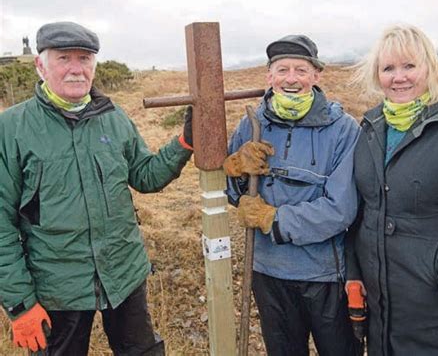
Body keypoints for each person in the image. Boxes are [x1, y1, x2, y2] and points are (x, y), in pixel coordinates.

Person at [0, 21, 194, 355]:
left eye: (85, 59)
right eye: (64, 58)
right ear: (40, 64)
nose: (76, 69)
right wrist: (20, 304)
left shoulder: (113, 116)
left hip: (123, 274)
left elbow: (145, 176)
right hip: (56, 287)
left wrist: (184, 143)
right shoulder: (12, 128)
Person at [224, 34, 360, 356]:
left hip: (325, 275)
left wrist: (275, 219)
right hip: (268, 272)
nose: (291, 79)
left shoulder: (343, 130)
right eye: (282, 70)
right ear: (269, 76)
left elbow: (341, 208)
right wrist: (238, 172)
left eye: (301, 70)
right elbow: (236, 198)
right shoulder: (251, 125)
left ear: (316, 75)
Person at [345, 24, 438, 355]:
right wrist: (358, 270)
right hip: (383, 307)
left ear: (429, 67)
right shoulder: (371, 129)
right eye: (388, 68)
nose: (398, 77)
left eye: (409, 66)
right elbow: (363, 210)